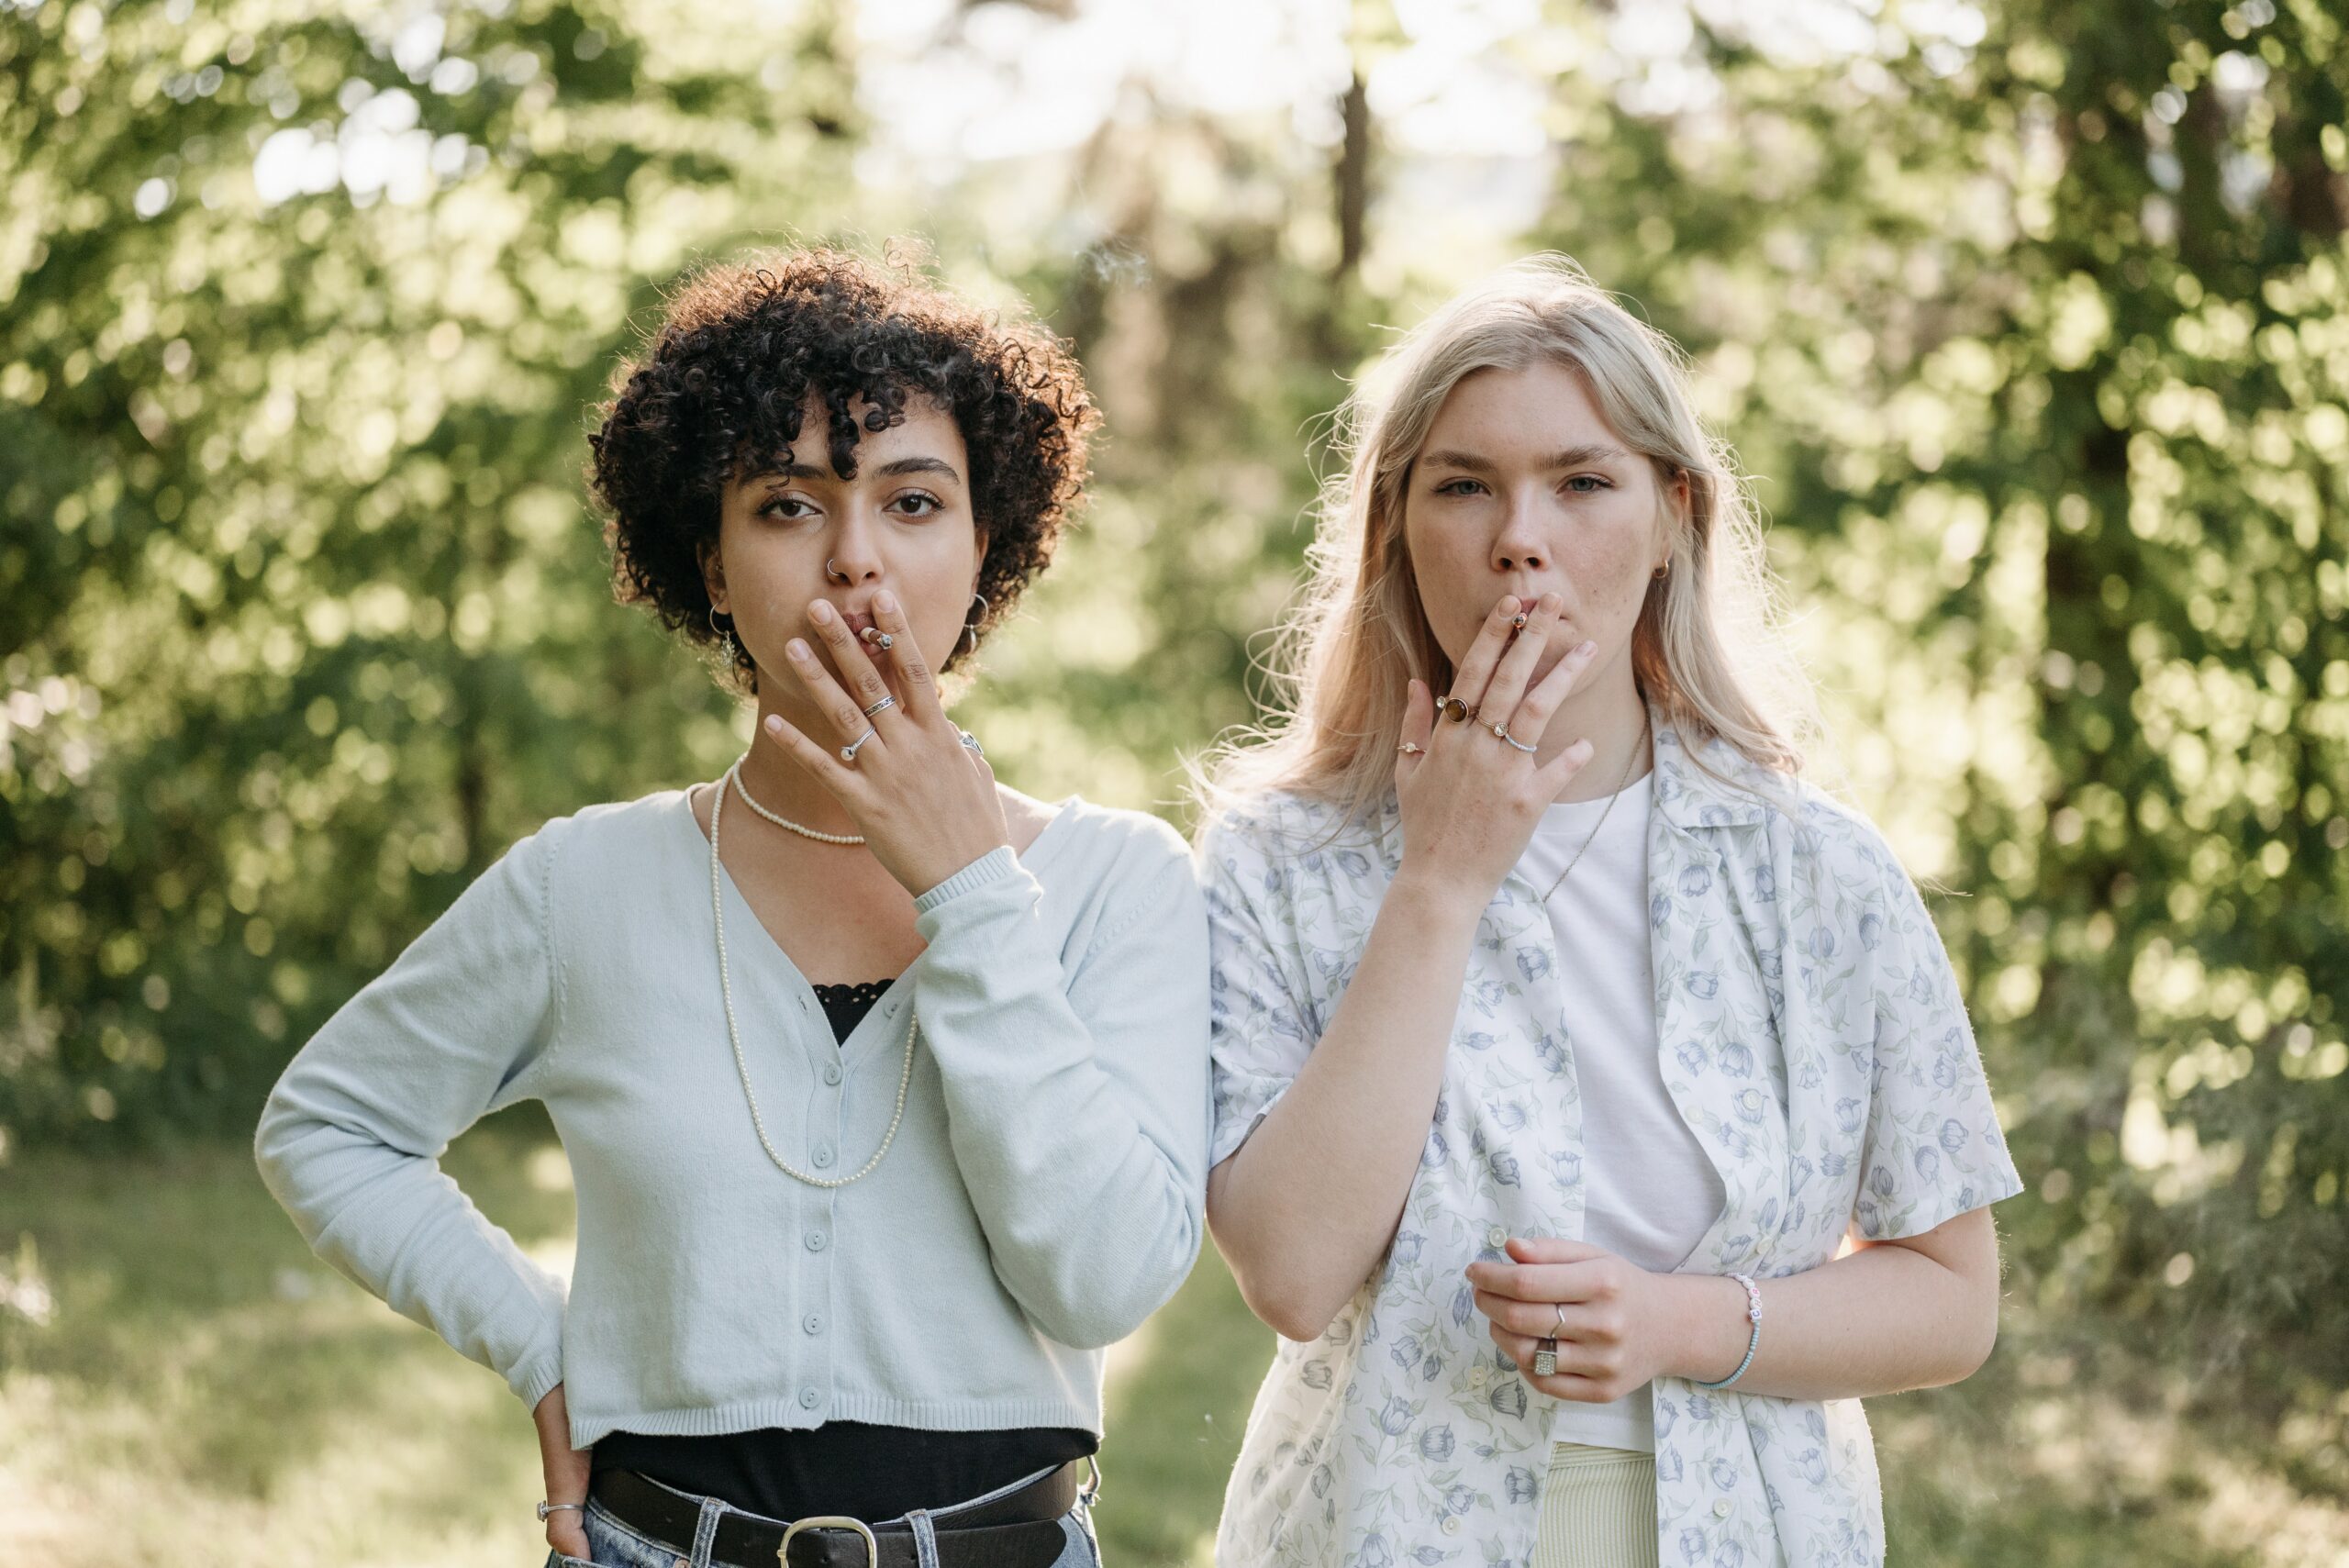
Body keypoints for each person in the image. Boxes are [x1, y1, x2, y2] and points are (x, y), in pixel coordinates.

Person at [255, 249, 1210, 1568]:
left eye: (914, 501)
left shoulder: (1123, 881)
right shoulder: (583, 885)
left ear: (987, 546)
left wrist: (971, 891)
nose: (857, 559)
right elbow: (330, 1124)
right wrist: (547, 1348)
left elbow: (1100, 1281)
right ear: (707, 559)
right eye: (788, 507)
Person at [1195, 255, 2023, 1568]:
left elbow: (1951, 1299)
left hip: (1750, 1532)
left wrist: (1679, 1321)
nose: (1520, 533)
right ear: (1394, 526)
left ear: (1672, 516)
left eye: (1581, 481)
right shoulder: (1277, 859)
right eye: (1463, 485)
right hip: (1386, 1528)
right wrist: (1441, 880)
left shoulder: (1818, 871)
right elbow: (1291, 1271)